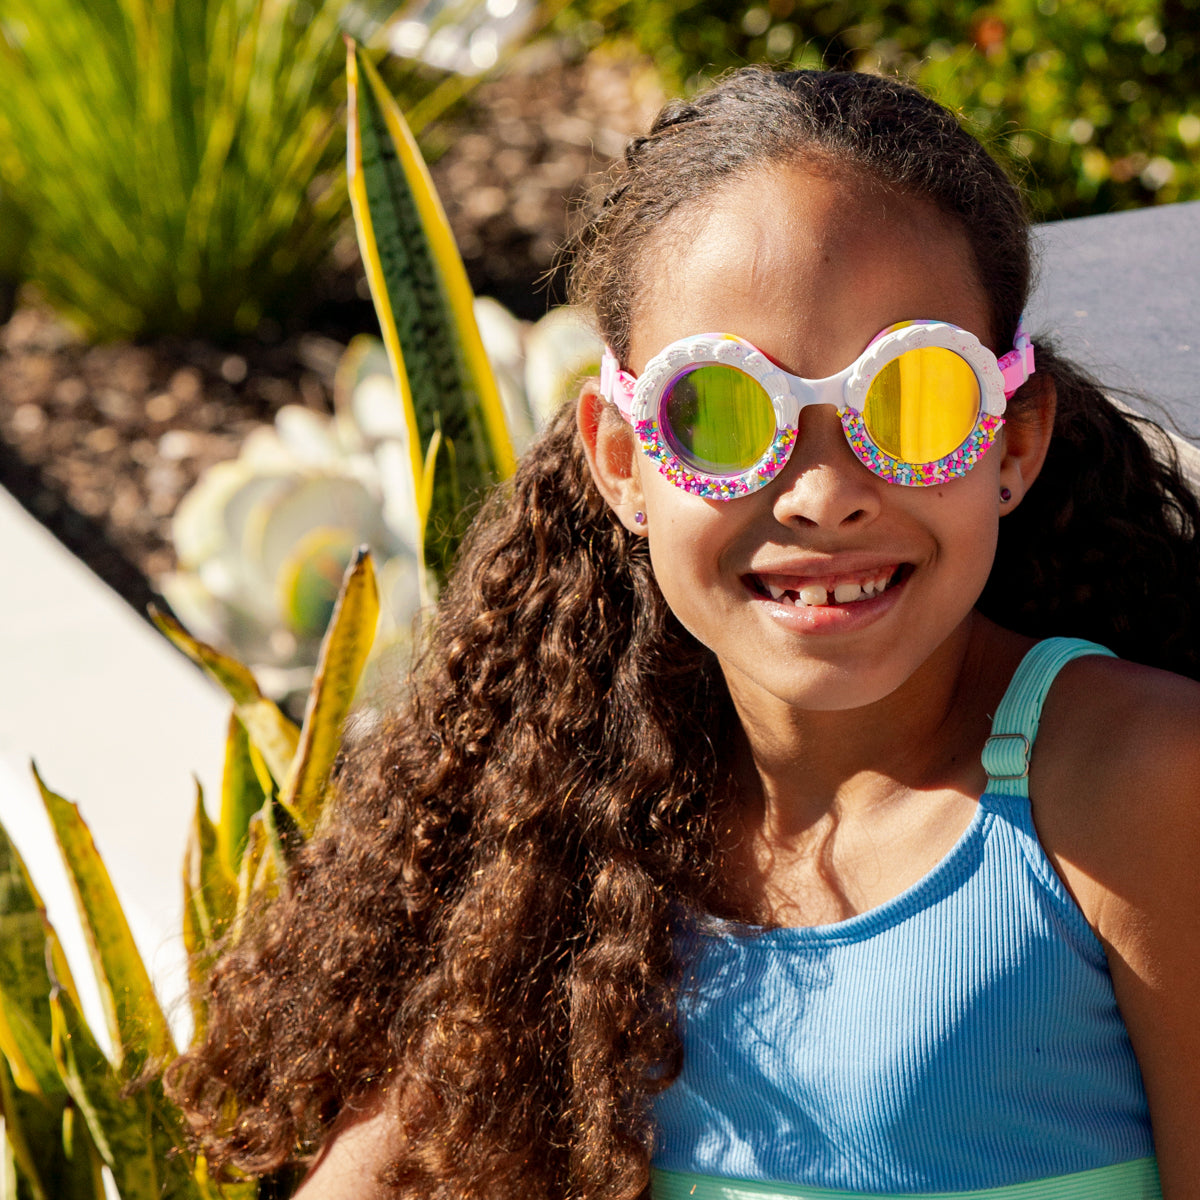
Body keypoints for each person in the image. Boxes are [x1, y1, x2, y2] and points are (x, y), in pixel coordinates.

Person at [166, 67, 1200, 1199]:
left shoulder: (1131, 783)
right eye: (722, 414)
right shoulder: (570, 834)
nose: (822, 495)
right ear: (621, 460)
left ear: (1012, 440)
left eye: (910, 400)